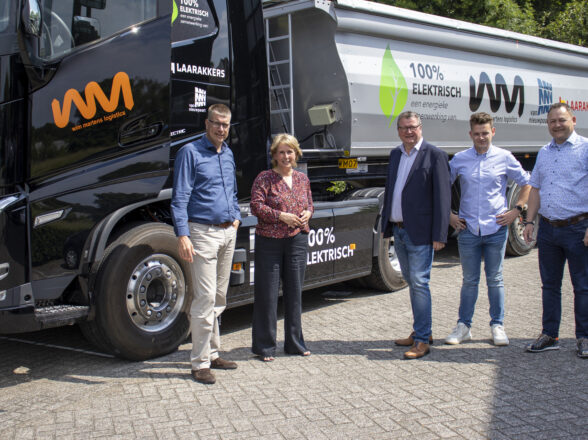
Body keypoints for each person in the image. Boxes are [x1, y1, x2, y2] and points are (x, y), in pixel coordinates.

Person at [445, 112, 531, 346]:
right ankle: (464, 327)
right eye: (477, 133)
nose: (481, 137)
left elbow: (527, 183)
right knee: (469, 280)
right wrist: (449, 216)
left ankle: (497, 326)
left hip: (496, 229)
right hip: (468, 229)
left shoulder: (505, 157)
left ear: (493, 132)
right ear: (470, 134)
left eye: (485, 133)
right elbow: (442, 188)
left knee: (495, 279)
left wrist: (517, 210)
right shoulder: (460, 159)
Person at [171, 104, 241, 384]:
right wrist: (183, 235)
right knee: (205, 298)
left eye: (225, 125)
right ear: (206, 123)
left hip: (227, 232)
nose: (221, 129)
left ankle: (212, 353)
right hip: (202, 233)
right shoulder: (190, 152)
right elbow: (179, 198)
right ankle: (199, 363)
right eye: (216, 123)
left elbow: (233, 191)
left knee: (219, 298)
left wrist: (235, 217)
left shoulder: (229, 153)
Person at [381, 111, 451, 359]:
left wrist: (440, 234)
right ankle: (422, 330)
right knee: (413, 283)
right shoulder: (396, 154)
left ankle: (422, 341)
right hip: (399, 231)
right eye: (403, 128)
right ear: (398, 130)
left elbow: (443, 199)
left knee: (420, 283)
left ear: (421, 127)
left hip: (421, 233)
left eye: (412, 127)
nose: (408, 132)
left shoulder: (435, 156)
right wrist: (386, 225)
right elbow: (392, 190)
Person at [523, 102, 588, 358]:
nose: (557, 125)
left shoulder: (585, 148)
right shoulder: (544, 152)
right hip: (549, 230)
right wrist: (529, 222)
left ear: (573, 119)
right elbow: (535, 188)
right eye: (552, 121)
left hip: (578, 228)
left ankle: (584, 337)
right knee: (549, 286)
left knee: (582, 286)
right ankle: (550, 334)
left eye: (562, 120)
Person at [250, 134, 313, 362]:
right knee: (267, 294)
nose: (286, 156)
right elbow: (255, 206)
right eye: (281, 152)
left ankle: (295, 343)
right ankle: (265, 347)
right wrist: (281, 216)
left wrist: (308, 213)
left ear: (296, 154)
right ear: (274, 155)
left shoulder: (302, 179)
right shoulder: (265, 178)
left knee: (294, 294)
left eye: (290, 152)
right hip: (270, 242)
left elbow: (309, 204)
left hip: (297, 241)